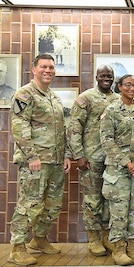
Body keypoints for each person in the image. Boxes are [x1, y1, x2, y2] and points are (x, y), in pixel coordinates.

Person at [8, 54, 72, 266]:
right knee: (29, 204)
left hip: (54, 161)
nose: (48, 70)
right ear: (34, 70)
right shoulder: (24, 94)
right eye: (44, 67)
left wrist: (65, 155)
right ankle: (17, 248)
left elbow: (62, 129)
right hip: (35, 161)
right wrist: (31, 155)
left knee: (52, 205)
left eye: (51, 67)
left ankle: (39, 239)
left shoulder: (54, 97)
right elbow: (20, 127)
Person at [99, 74, 134, 265]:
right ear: (120, 87)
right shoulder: (112, 110)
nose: (132, 88)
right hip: (118, 171)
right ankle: (119, 249)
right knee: (119, 211)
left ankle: (132, 247)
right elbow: (106, 141)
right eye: (128, 85)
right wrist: (126, 162)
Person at [67, 64, 120, 256]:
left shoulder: (118, 99)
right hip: (91, 158)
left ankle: (106, 235)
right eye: (103, 75)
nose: (107, 78)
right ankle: (94, 238)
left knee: (109, 199)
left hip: (112, 160)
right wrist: (79, 155)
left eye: (110, 76)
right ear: (96, 77)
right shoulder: (85, 98)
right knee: (92, 200)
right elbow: (74, 127)